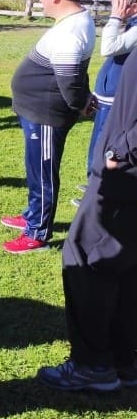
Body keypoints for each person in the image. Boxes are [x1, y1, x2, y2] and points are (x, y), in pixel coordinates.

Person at [36, 46, 137, 392]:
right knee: (126, 261)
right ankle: (124, 361)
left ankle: (94, 365)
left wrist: (121, 152)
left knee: (86, 255)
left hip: (126, 173)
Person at [1, 0, 96, 254]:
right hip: (36, 110)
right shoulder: (75, 21)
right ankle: (33, 215)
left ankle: (38, 232)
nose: (41, 0)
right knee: (35, 168)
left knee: (43, 172)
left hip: (46, 115)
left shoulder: (72, 31)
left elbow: (69, 80)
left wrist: (80, 104)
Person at [71, 0, 137, 206]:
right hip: (106, 96)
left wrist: (116, 19)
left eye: (118, 6)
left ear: (133, 8)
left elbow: (108, 47)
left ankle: (100, 190)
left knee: (108, 146)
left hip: (117, 99)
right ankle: (94, 183)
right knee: (97, 144)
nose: (114, 10)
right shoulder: (131, 24)